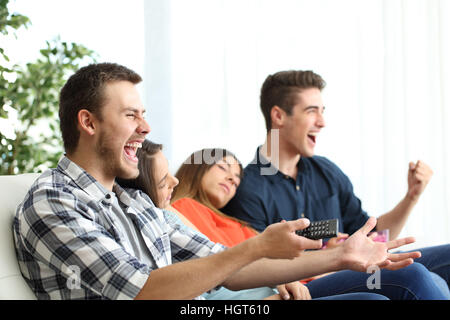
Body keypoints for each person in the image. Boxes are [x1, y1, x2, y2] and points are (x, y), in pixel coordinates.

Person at [12, 63, 426, 300]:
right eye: (131, 116)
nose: (146, 127)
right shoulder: (54, 201)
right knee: (406, 284)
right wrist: (261, 247)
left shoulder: (134, 203)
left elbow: (230, 264)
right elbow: (144, 292)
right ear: (87, 122)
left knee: (380, 292)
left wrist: (342, 255)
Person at [120, 139, 448, 300]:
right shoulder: (179, 210)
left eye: (236, 178)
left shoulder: (233, 218)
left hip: (304, 272)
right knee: (414, 276)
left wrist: (328, 250)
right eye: (223, 169)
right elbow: (223, 269)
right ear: (195, 168)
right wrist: (321, 259)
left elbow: (376, 230)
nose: (233, 181)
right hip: (284, 286)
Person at [222, 69, 450, 292]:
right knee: (416, 274)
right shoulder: (247, 188)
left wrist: (412, 196)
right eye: (312, 111)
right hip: (308, 283)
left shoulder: (327, 172)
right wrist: (331, 256)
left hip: (353, 266)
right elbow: (257, 269)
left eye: (322, 111)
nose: (322, 122)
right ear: (279, 116)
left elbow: (375, 234)